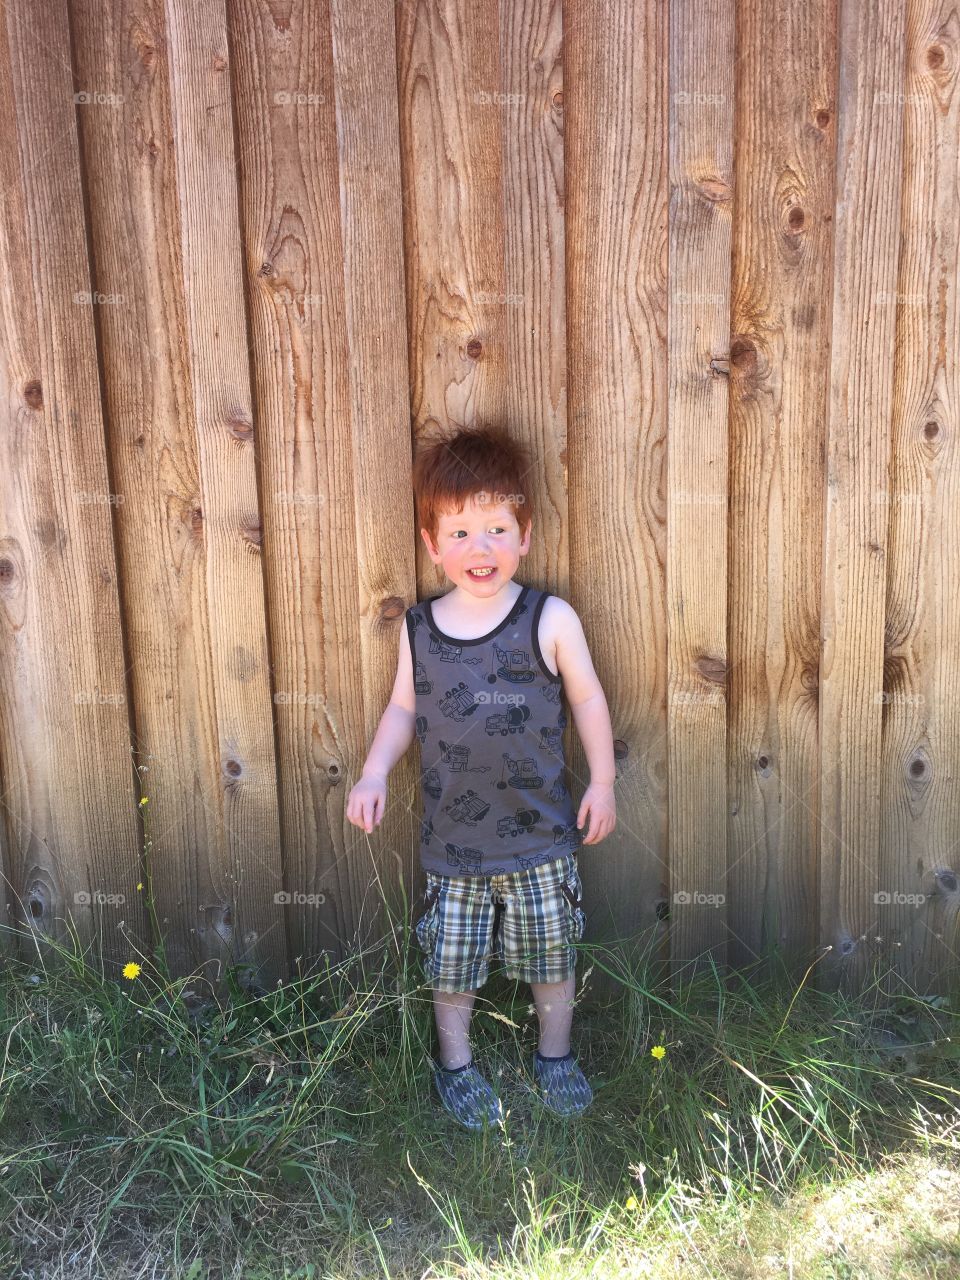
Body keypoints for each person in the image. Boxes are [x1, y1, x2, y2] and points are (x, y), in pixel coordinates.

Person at [347, 423, 616, 1129]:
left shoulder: (548, 618)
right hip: (453, 847)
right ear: (433, 545)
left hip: (541, 839)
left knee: (551, 955)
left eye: (497, 527)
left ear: (524, 535)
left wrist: (604, 781)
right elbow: (403, 708)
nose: (481, 548)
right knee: (453, 966)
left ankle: (555, 1055)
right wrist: (374, 771)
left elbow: (587, 698)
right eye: (460, 532)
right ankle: (455, 1066)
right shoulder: (421, 628)